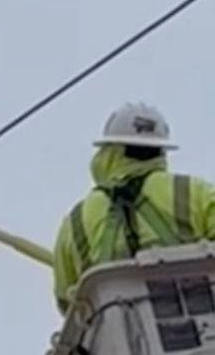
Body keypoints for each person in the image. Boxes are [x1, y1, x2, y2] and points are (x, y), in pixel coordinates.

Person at [52, 102, 215, 313]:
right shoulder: (193, 191)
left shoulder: (76, 222)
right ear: (161, 151)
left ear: (109, 152)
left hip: (121, 337)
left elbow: (68, 304)